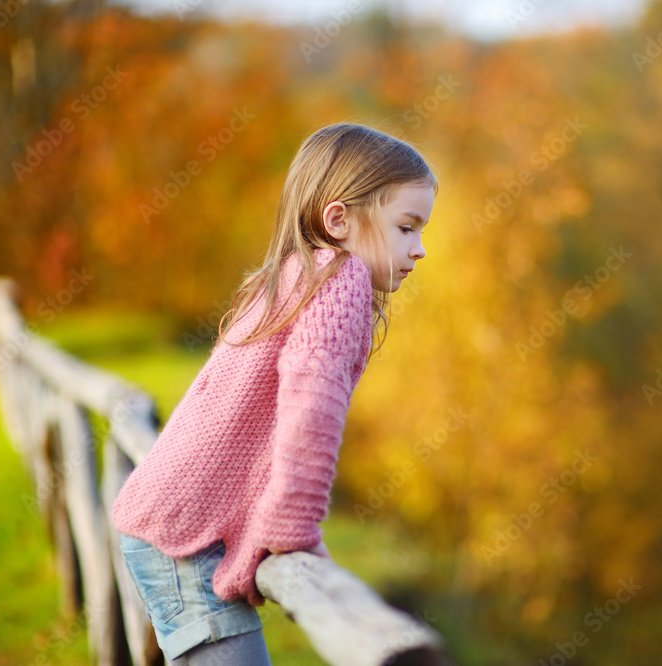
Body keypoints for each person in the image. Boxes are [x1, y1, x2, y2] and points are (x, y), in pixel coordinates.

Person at [111, 122, 437, 665]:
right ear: (339, 219)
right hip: (184, 544)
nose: (420, 249)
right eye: (407, 227)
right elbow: (313, 401)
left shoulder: (295, 273)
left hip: (168, 526)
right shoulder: (342, 278)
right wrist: (293, 525)